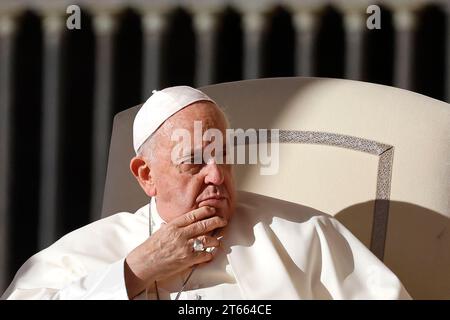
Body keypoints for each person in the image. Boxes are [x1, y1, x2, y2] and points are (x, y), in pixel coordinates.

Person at [1, 86, 411, 300]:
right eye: (195, 161)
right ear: (147, 175)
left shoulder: (304, 233)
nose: (217, 176)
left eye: (224, 157)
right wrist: (134, 271)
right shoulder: (91, 249)